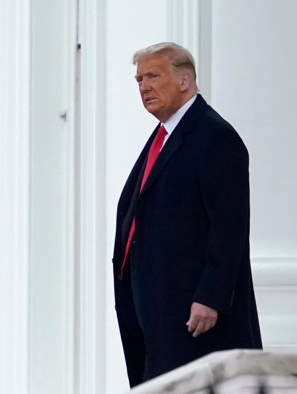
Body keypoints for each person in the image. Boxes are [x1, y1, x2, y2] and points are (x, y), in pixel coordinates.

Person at [112, 42, 262, 387]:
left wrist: (210, 296)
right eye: (138, 79)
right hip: (154, 307)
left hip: (193, 315)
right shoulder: (162, 137)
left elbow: (230, 227)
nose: (144, 86)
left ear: (184, 80)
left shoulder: (215, 136)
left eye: (153, 76)